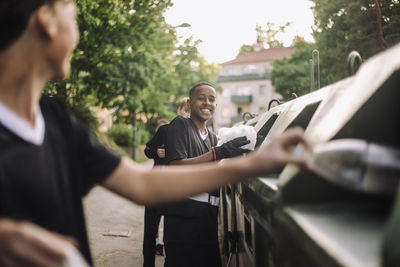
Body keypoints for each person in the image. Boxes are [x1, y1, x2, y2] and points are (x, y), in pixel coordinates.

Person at [0, 0, 312, 266]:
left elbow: (141, 183)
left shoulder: (56, 119)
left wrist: (253, 163)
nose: (78, 34)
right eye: (74, 18)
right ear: (46, 21)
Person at [163, 82, 251, 267]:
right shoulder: (180, 125)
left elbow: (212, 172)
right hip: (183, 221)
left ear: (216, 106)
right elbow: (176, 166)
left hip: (208, 220)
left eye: (211, 99)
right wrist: (216, 153)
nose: (206, 103)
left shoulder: (211, 136)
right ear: (189, 103)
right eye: (201, 98)